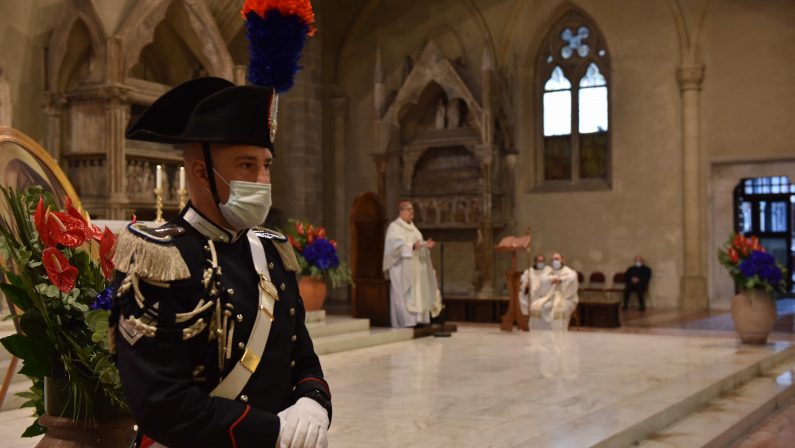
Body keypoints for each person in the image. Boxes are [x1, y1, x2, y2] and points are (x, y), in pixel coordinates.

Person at [110, 2, 331, 447]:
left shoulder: (272, 251)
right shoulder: (159, 258)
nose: (262, 181)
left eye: (266, 165)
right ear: (200, 172)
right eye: (246, 165)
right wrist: (272, 430)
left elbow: (301, 356)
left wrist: (312, 401)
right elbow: (161, 402)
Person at [383, 200, 442, 328]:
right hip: (401, 269)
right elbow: (394, 247)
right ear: (401, 211)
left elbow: (418, 244)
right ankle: (406, 322)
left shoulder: (414, 229)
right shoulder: (394, 228)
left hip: (416, 268)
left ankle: (418, 321)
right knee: (404, 294)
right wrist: (412, 247)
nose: (412, 212)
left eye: (412, 210)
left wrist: (426, 245)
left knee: (418, 293)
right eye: (408, 209)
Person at [529, 252, 579, 331]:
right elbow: (543, 279)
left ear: (562, 260)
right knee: (538, 307)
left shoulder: (569, 271)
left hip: (567, 299)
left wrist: (560, 279)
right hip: (551, 297)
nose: (554, 262)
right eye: (552, 260)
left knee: (558, 310)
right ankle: (542, 333)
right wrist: (551, 280)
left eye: (556, 259)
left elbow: (571, 277)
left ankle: (558, 335)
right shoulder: (549, 272)